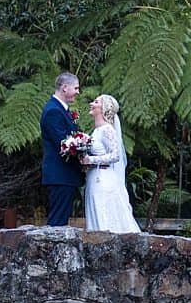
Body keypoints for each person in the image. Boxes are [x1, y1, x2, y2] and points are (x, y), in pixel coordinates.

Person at [82, 94, 139, 234]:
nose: (91, 104)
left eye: (95, 102)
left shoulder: (107, 129)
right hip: (94, 177)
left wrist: (91, 160)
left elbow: (115, 155)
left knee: (104, 214)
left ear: (103, 109)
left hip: (103, 179)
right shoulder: (97, 130)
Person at [39, 71, 84, 226]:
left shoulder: (60, 109)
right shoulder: (53, 111)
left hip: (64, 175)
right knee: (58, 221)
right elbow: (63, 144)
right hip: (60, 174)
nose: (78, 92)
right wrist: (82, 150)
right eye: (76, 88)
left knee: (61, 218)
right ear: (65, 88)